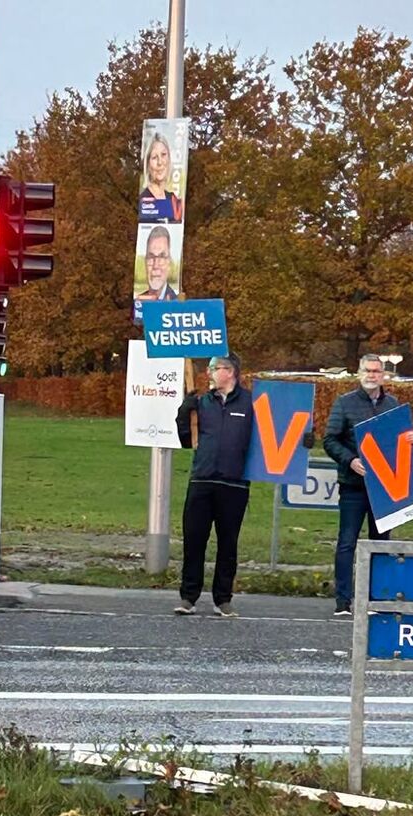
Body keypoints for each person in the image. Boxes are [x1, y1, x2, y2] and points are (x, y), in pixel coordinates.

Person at [323, 354, 413, 617]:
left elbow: (401, 439)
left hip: (385, 487)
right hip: (353, 485)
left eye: (376, 371)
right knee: (347, 543)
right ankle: (343, 602)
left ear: (383, 375)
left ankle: (377, 599)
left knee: (381, 544)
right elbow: (330, 440)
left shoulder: (393, 404)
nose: (371, 375)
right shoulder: (344, 403)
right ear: (359, 373)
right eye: (367, 370)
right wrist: (350, 460)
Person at [174, 353, 253, 618]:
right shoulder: (202, 402)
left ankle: (223, 598)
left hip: (234, 483)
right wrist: (183, 414)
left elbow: (271, 436)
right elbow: (186, 440)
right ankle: (189, 596)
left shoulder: (251, 403)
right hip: (202, 479)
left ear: (230, 372)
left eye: (214, 368)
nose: (209, 372)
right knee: (194, 540)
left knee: (228, 544)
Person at [138, 133, 183, 223]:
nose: (160, 162)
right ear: (147, 164)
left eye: (163, 154)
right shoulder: (143, 200)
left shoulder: (173, 199)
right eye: (154, 157)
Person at [135, 226, 178, 301]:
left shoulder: (176, 303)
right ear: (145, 262)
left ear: (169, 262)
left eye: (162, 257)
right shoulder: (138, 302)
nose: (155, 265)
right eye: (151, 257)